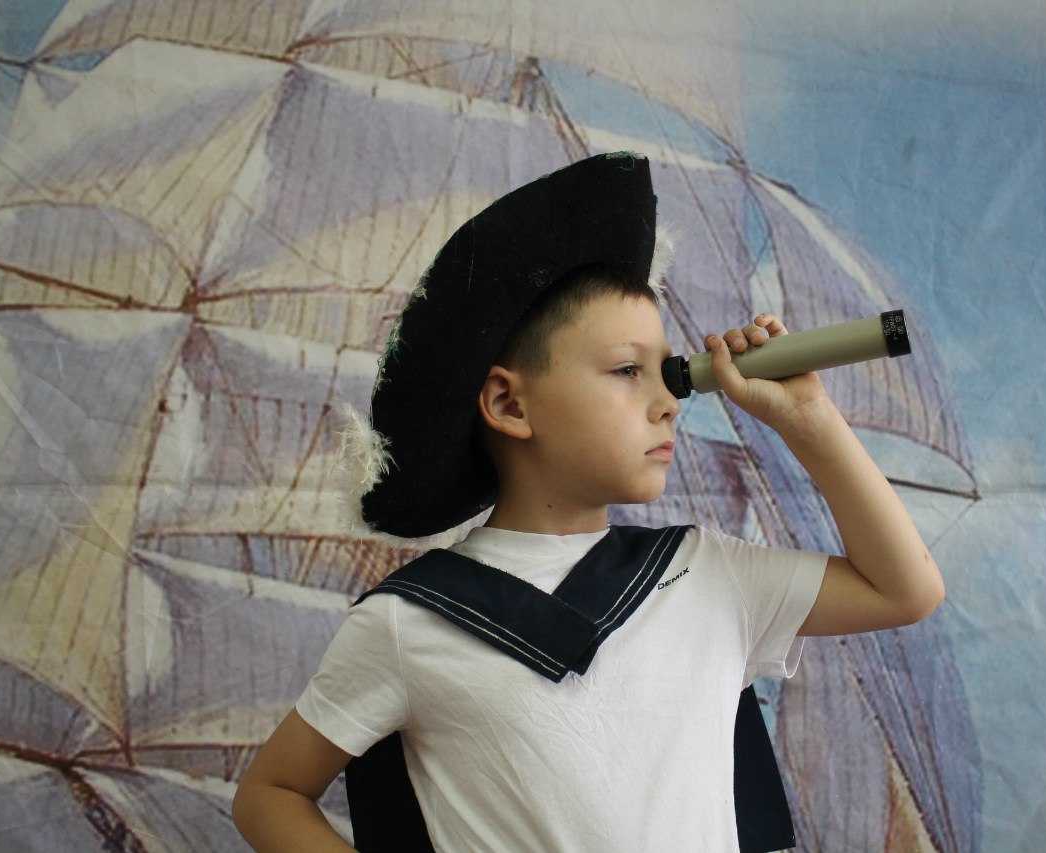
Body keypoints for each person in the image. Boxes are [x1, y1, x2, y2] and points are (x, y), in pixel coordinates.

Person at [230, 151, 945, 852]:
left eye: (667, 374)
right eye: (628, 370)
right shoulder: (407, 622)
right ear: (510, 403)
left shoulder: (709, 574)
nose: (667, 403)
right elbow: (271, 793)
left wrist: (809, 420)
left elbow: (903, 589)